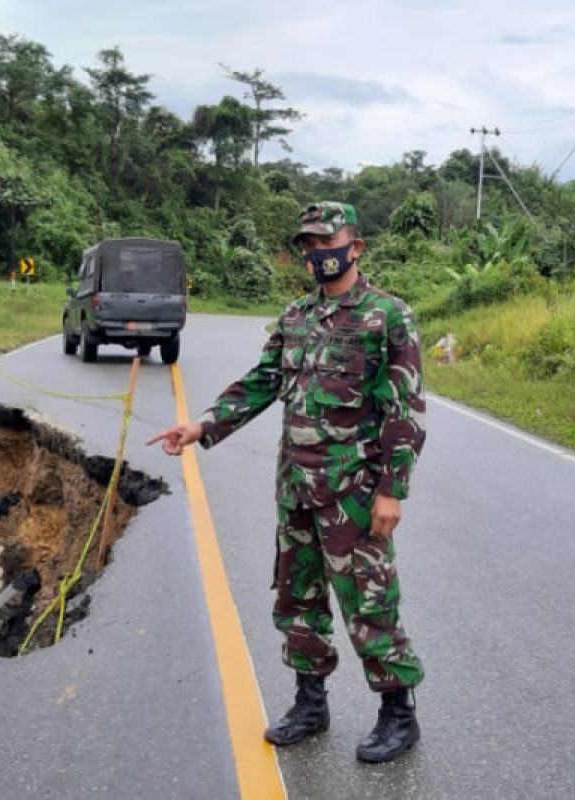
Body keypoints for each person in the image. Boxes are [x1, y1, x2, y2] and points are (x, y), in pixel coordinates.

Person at [146, 201, 427, 763]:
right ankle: (310, 703)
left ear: (356, 246)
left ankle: (398, 712)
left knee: (368, 601)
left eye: (327, 242)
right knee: (298, 599)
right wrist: (202, 425)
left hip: (353, 492)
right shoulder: (296, 316)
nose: (317, 253)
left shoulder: (386, 316)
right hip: (296, 487)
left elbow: (404, 409)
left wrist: (393, 488)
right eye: (308, 245)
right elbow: (263, 381)